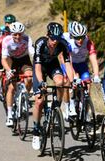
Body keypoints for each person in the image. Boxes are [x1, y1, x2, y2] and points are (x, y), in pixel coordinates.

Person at [31, 22, 74, 150]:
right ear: (47, 35)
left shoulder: (63, 44)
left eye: (57, 39)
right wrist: (41, 82)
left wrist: (72, 81)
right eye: (52, 39)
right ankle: (36, 130)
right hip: (40, 67)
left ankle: (56, 105)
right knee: (39, 100)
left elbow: (68, 65)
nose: (55, 42)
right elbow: (37, 67)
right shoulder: (40, 43)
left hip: (52, 65)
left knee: (61, 82)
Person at [60, 21, 101, 120]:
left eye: (82, 37)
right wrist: (74, 76)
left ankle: (85, 111)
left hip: (81, 64)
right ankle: (68, 106)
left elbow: (93, 60)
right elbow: (67, 61)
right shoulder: (68, 43)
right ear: (72, 36)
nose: (80, 40)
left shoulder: (88, 43)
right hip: (69, 64)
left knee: (87, 85)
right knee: (69, 82)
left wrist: (96, 75)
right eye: (77, 37)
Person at [1, 22, 34, 127]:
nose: (18, 36)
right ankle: (10, 115)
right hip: (12, 61)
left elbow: (32, 52)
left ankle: (26, 96)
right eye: (15, 34)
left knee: (29, 77)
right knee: (11, 87)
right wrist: (8, 70)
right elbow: (4, 59)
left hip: (24, 60)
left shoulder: (27, 39)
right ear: (11, 33)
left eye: (20, 34)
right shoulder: (6, 40)